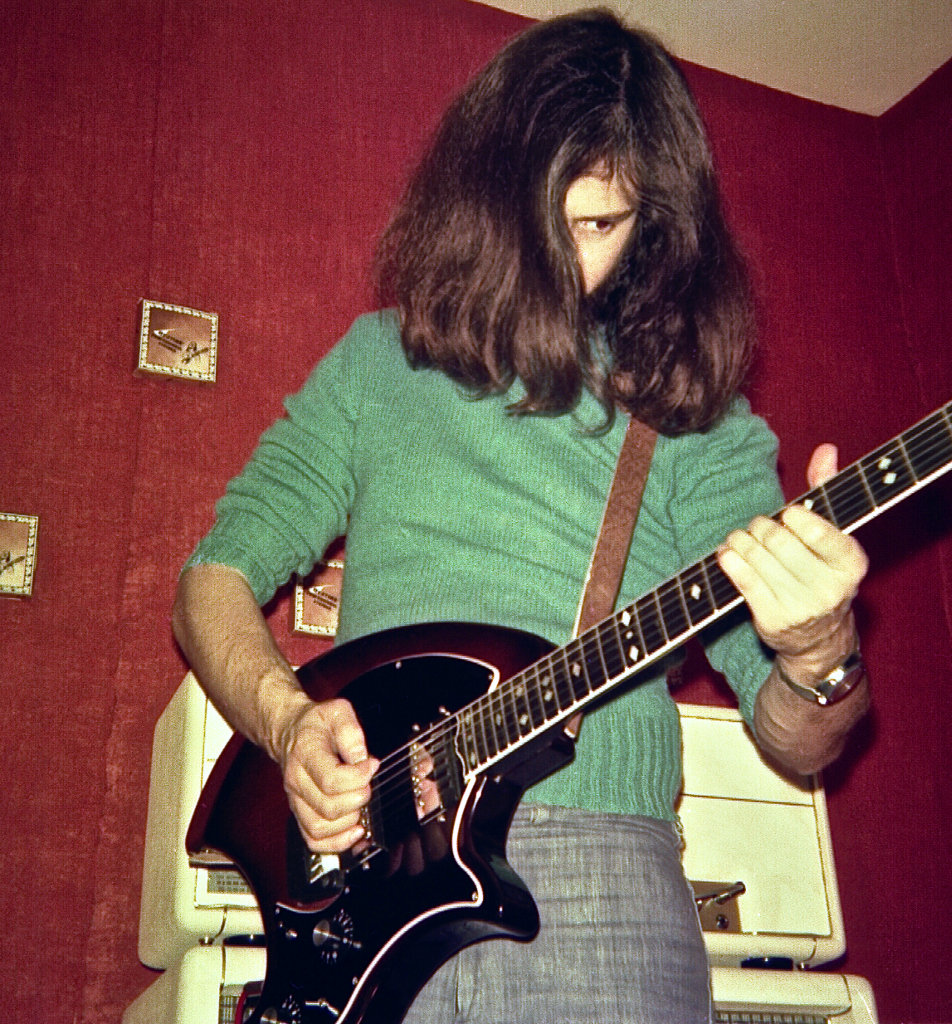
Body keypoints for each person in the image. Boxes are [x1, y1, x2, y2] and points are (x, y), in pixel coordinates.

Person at [172, 9, 870, 1022]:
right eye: (537, 214)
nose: (555, 254)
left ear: (651, 227)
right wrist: (287, 726)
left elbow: (799, 740)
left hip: (598, 880)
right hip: (371, 876)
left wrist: (819, 650)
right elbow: (214, 576)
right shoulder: (376, 362)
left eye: (595, 225)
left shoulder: (692, 414)